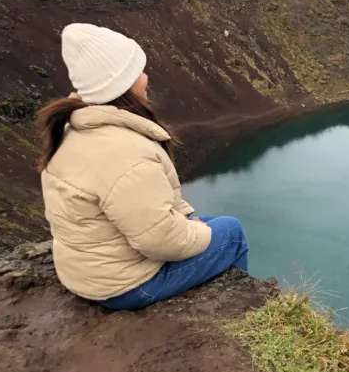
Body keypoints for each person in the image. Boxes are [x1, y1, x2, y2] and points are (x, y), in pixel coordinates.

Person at [37, 23, 248, 311]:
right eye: (137, 71)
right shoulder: (125, 152)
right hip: (123, 287)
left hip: (86, 273)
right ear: (120, 82)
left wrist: (190, 223)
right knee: (231, 231)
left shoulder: (73, 129)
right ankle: (240, 311)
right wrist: (191, 231)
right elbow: (160, 241)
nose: (145, 77)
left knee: (204, 223)